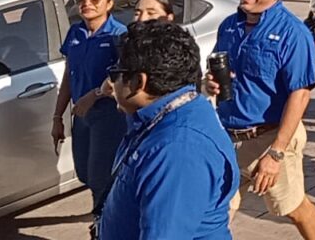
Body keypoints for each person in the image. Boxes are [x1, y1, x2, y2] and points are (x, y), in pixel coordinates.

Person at [205, 0, 315, 239]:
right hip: (227, 138)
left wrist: (276, 153)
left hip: (269, 138)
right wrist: (210, 84)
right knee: (214, 211)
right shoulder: (229, 26)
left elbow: (300, 95)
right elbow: (222, 75)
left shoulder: (293, 33)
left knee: (293, 208)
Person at [97, 21, 239, 240]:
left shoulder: (178, 149)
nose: (110, 83)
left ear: (139, 82)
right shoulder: (164, 114)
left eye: (115, 73)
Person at [51, 0, 128, 205]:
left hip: (109, 115)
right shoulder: (75, 32)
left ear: (109, 3)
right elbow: (69, 75)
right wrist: (57, 116)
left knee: (100, 178)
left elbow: (122, 77)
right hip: (82, 115)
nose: (87, 4)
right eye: (81, 0)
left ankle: (103, 219)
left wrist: (94, 95)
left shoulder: (118, 35)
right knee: (84, 172)